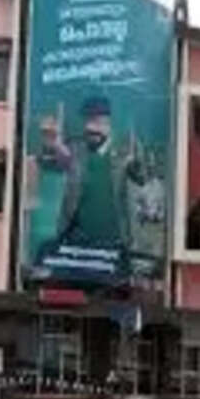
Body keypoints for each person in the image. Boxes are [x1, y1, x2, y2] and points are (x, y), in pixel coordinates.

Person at [38, 96, 147, 270]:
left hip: (116, 243)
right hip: (77, 242)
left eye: (97, 122)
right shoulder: (75, 147)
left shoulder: (125, 150)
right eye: (87, 121)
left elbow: (142, 178)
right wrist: (49, 145)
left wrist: (136, 160)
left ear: (109, 123)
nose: (90, 128)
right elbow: (48, 164)